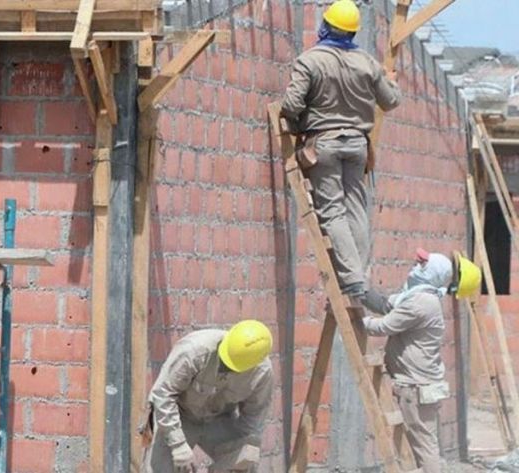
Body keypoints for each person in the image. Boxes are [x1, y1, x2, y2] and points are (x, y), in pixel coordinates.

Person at [281, 0, 401, 299]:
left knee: (332, 212)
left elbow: (291, 105)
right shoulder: (368, 63)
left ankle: (353, 280)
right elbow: (390, 101)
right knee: (356, 210)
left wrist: (297, 124)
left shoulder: (310, 61)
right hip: (358, 144)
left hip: (324, 144)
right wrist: (390, 81)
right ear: (353, 32)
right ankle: (360, 276)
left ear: (325, 25)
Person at [361, 250, 482, 472]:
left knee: (425, 445)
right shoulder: (419, 296)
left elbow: (385, 325)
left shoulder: (422, 302)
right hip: (419, 385)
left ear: (434, 273)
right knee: (422, 442)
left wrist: (356, 321)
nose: (416, 266)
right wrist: (362, 291)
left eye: (422, 264)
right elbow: (387, 304)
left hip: (416, 388)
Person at [141, 320, 274, 473]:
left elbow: (254, 417)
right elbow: (163, 394)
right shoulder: (194, 351)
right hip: (179, 416)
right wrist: (178, 444)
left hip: (220, 420)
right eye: (224, 361)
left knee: (246, 461)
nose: (225, 367)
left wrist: (243, 454)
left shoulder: (261, 374)